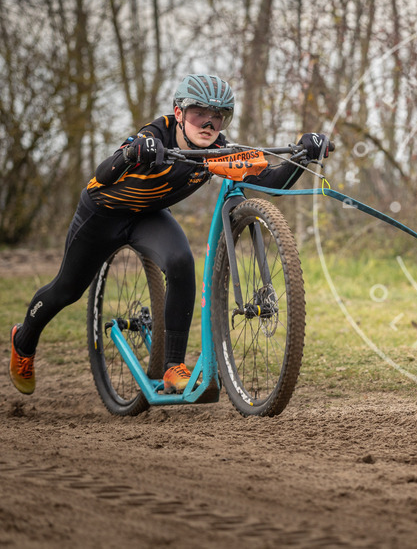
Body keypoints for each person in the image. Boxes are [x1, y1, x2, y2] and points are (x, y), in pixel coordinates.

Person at [9, 74, 332, 396]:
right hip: (101, 216)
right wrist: (131, 153)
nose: (208, 123)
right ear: (178, 113)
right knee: (67, 290)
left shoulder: (218, 150)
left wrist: (302, 156)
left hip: (149, 217)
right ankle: (23, 341)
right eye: (198, 114)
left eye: (218, 117)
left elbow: (269, 185)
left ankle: (173, 367)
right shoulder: (154, 134)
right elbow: (103, 173)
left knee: (180, 263)